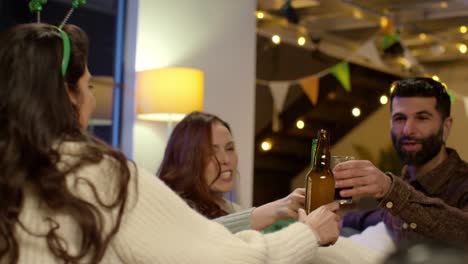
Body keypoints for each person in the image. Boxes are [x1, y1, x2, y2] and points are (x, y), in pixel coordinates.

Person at [0, 22, 342, 263]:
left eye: (230, 148)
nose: (92, 99)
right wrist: (307, 234)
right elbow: (231, 259)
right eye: (89, 86)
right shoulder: (103, 176)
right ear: (66, 96)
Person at [333, 77, 468, 245]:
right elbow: (381, 217)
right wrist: (337, 219)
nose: (407, 130)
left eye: (422, 118)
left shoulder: (463, 184)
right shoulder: (407, 179)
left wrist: (391, 190)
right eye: (399, 118)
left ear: (445, 127)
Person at [158, 111, 309, 233]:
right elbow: (203, 235)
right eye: (211, 151)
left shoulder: (234, 209)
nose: (225, 159)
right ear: (187, 159)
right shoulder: (170, 208)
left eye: (229, 148)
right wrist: (277, 209)